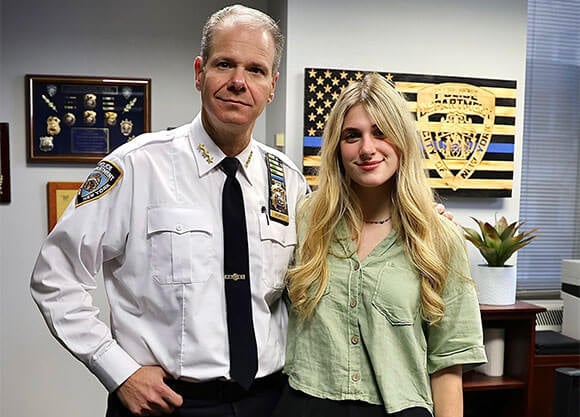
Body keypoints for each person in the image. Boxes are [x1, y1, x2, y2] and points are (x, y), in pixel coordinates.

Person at [30, 5, 308, 417]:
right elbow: (55, 277)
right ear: (199, 72)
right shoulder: (137, 167)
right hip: (167, 405)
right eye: (224, 64)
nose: (238, 82)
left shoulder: (288, 180)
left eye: (256, 70)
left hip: (269, 401)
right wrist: (118, 370)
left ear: (272, 86)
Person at [275, 73, 486, 417]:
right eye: (352, 136)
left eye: (381, 132)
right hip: (306, 403)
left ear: (402, 140)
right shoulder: (305, 220)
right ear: (336, 148)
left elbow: (448, 362)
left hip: (399, 406)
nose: (367, 148)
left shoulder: (439, 237)